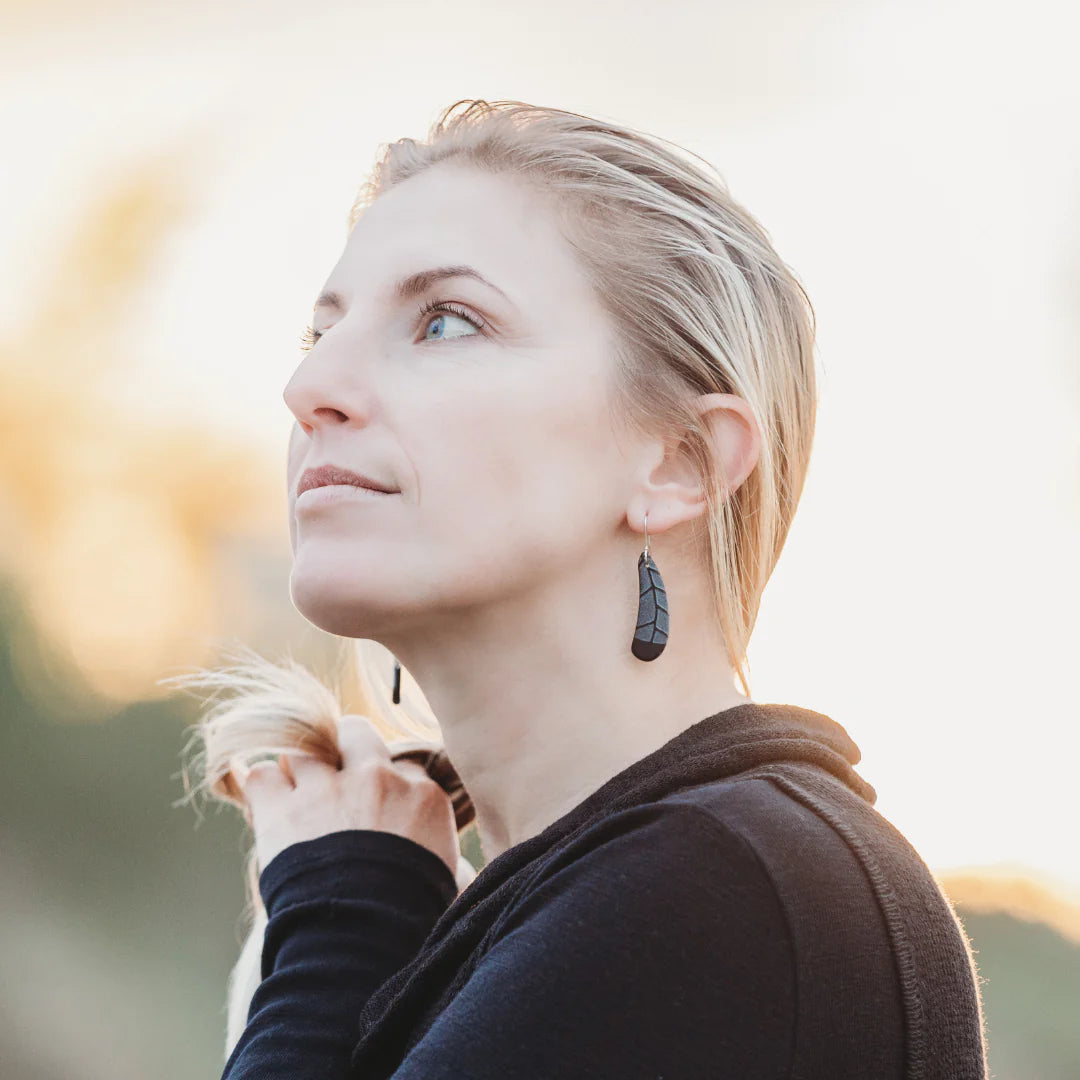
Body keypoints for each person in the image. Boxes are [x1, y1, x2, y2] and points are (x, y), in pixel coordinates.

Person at [174, 99, 990, 1078]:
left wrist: (337, 939)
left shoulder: (732, 885)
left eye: (446, 321)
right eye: (319, 334)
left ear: (678, 461)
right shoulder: (623, 889)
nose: (310, 389)